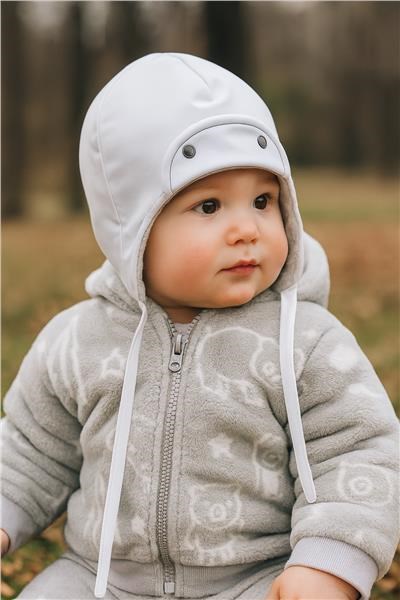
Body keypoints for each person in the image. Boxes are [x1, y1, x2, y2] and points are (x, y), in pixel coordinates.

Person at [1, 53, 398, 600]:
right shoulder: (76, 342)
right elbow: (30, 449)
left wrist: (327, 564)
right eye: (209, 206)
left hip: (257, 576)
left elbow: (359, 451)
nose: (246, 229)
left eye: (262, 201)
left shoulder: (307, 343)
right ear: (131, 228)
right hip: (101, 579)